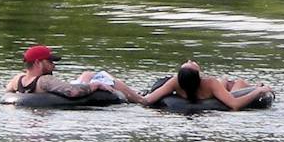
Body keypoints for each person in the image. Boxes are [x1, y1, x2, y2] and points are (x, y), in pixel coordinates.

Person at [114, 60, 273, 110]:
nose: (190, 61)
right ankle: (253, 84)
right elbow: (234, 104)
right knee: (239, 82)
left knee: (224, 81)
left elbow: (147, 100)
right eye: (190, 64)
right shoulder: (209, 82)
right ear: (198, 75)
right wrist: (259, 91)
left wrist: (122, 87)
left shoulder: (177, 82)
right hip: (214, 96)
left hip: (206, 96)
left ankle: (227, 81)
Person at [5, 45, 110, 97]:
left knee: (86, 75)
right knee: (90, 75)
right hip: (74, 89)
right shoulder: (45, 80)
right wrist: (96, 86)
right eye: (50, 62)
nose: (54, 66)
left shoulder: (17, 79)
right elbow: (72, 92)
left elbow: (8, 91)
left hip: (61, 89)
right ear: (38, 63)